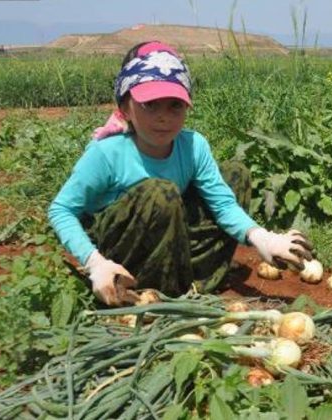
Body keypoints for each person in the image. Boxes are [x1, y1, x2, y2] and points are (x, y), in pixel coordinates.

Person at [49, 41, 313, 306]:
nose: (163, 117)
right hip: (119, 250)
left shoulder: (193, 145)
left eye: (175, 105)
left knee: (235, 175)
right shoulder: (108, 153)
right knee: (160, 192)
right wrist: (95, 262)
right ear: (125, 108)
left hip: (170, 231)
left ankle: (192, 282)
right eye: (150, 105)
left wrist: (262, 237)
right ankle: (138, 290)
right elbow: (61, 209)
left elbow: (222, 204)